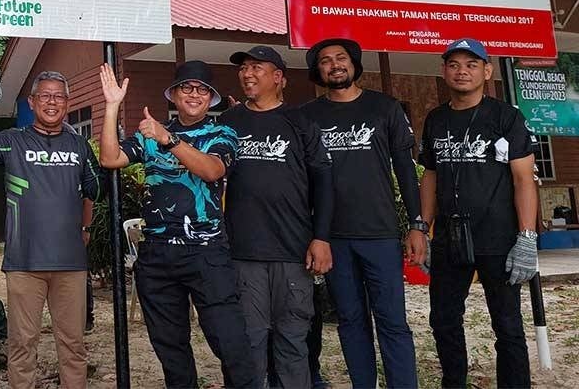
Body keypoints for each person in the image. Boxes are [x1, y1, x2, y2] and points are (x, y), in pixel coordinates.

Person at [98, 61, 257, 389]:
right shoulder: (150, 134)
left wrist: (168, 139)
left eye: (202, 90)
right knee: (171, 349)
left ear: (210, 98)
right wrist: (112, 105)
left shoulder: (221, 133)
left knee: (230, 344)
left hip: (206, 252)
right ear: (174, 94)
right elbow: (110, 158)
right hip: (156, 255)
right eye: (187, 87)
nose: (194, 94)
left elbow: (213, 171)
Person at [0, 69, 101, 389]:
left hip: (70, 264)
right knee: (22, 345)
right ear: (32, 101)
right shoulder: (13, 140)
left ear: (67, 102)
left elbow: (94, 189)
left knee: (73, 345)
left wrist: (85, 226)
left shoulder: (80, 145)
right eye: (45, 95)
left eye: (59, 96)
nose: (52, 102)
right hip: (24, 263)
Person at [300, 38, 424, 388]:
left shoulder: (384, 108)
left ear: (354, 64)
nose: (334, 64)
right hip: (332, 237)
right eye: (325, 60)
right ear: (318, 71)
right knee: (351, 322)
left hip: (380, 234)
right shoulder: (308, 116)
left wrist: (417, 224)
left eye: (341, 58)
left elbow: (405, 167)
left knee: (393, 322)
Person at [420, 38, 539, 388]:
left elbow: (523, 180)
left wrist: (527, 238)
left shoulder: (506, 118)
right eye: (454, 64)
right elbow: (429, 175)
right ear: (444, 72)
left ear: (487, 71)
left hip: (497, 237)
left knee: (507, 324)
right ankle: (453, 382)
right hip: (449, 238)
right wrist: (421, 227)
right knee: (443, 320)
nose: (462, 71)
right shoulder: (436, 120)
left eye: (472, 64)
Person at [221, 46, 333, 389]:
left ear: (278, 77)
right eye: (243, 68)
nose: (247, 73)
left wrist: (321, 237)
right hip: (243, 255)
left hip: (292, 253)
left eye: (257, 67)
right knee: (249, 343)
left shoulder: (300, 122)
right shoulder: (228, 123)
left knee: (292, 343)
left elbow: (324, 182)